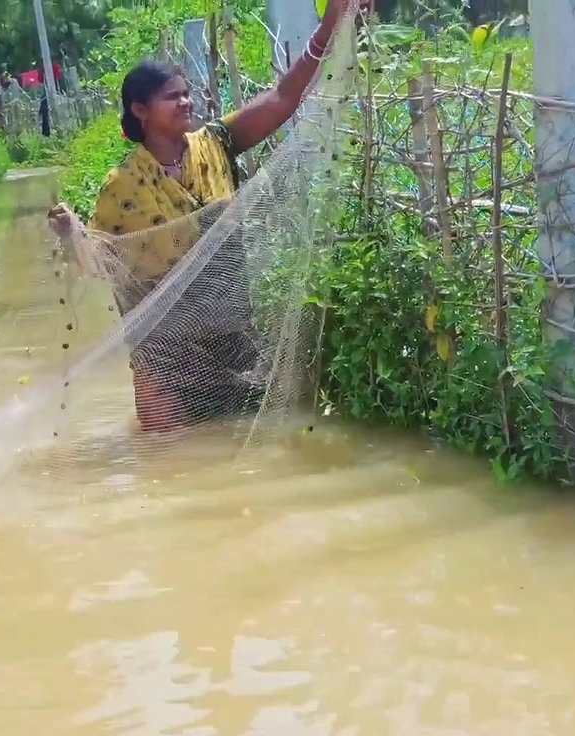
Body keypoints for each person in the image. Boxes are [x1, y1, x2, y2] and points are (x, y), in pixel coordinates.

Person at [48, 0, 366, 433]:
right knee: (165, 456)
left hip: (231, 334)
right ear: (140, 111)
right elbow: (104, 262)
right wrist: (72, 234)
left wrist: (328, 29)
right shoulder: (122, 187)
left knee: (241, 439)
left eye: (186, 93)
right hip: (164, 348)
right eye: (171, 97)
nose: (185, 102)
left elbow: (283, 97)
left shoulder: (216, 144)